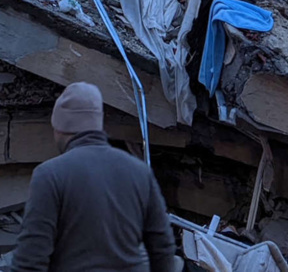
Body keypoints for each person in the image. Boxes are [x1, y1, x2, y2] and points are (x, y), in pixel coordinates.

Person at [11, 82, 175, 272]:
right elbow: (162, 247)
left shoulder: (49, 175)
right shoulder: (140, 172)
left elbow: (30, 260)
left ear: (59, 128)